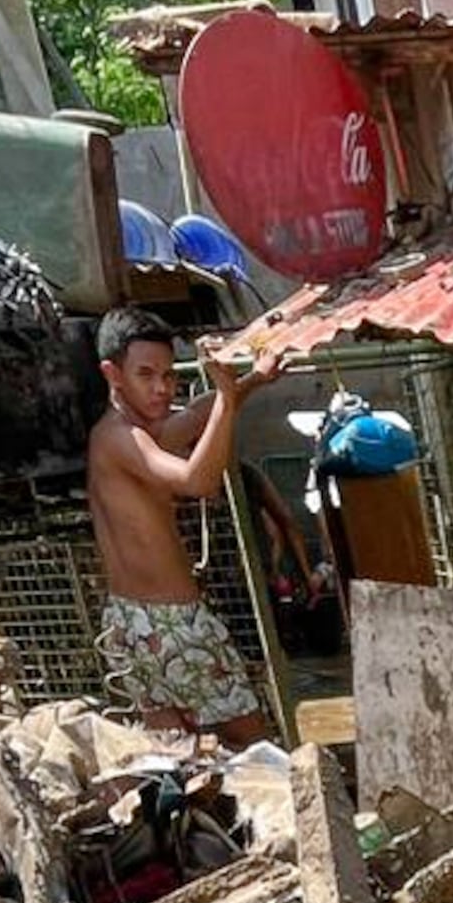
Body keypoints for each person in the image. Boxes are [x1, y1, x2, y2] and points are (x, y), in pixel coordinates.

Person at [85, 307, 313, 748]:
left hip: (132, 624)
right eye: (146, 374)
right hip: (173, 625)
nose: (161, 388)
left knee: (180, 760)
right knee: (259, 750)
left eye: (169, 375)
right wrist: (228, 398)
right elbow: (199, 481)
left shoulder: (133, 431)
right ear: (112, 374)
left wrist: (252, 381)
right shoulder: (119, 438)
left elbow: (193, 417)